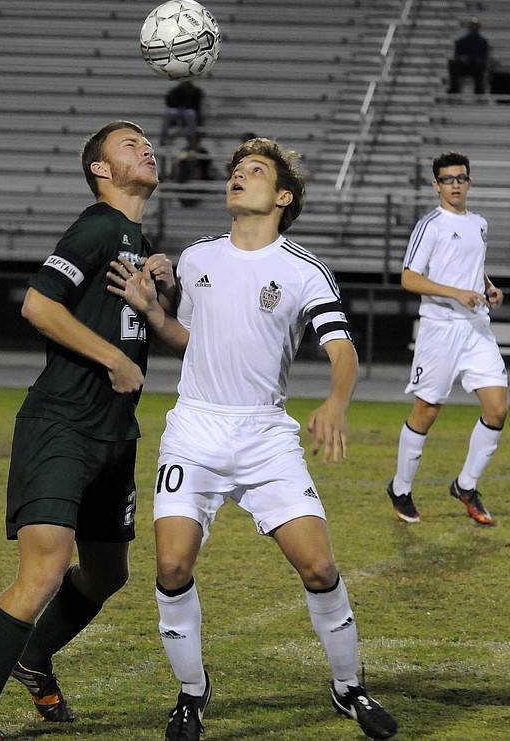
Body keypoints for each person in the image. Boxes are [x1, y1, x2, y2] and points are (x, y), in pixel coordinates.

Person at [107, 138, 398, 741]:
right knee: (170, 565)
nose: (238, 177)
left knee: (319, 568)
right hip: (195, 431)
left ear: (283, 197)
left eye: (255, 172)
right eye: (236, 171)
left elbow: (342, 349)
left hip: (266, 436)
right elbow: (190, 339)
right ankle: (192, 695)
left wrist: (335, 403)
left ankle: (349, 688)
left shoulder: (304, 270)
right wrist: (154, 312)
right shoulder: (195, 259)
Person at [0, 120, 176, 741]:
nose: (146, 148)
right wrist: (113, 359)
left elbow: (144, 322)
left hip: (113, 433)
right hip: (61, 425)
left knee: (107, 574)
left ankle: (33, 658)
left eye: (146, 142)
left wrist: (163, 291)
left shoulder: (134, 236)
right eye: (129, 145)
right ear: (101, 170)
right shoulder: (99, 225)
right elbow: (38, 304)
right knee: (45, 571)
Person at [387, 151, 507, 527]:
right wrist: (455, 292)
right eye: (447, 179)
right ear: (436, 185)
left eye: (461, 178)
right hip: (440, 331)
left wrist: (488, 287)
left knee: (497, 409)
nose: (455, 184)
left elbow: (472, 266)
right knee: (428, 412)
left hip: (476, 328)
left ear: (469, 182)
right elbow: (409, 277)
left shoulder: (479, 223)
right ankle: (401, 488)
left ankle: (466, 485)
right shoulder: (431, 225)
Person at [171, 133, 216, 207]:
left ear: (198, 142)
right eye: (191, 141)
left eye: (195, 141)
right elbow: (177, 163)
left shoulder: (204, 153)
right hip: (185, 179)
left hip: (200, 180)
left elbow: (207, 168)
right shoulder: (183, 151)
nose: (193, 143)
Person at [447, 17, 488, 94]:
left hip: (475, 66)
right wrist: (461, 58)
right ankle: (454, 88)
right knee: (452, 63)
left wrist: (474, 59)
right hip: (463, 66)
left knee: (479, 66)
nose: (473, 28)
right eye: (471, 26)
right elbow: (457, 55)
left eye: (475, 26)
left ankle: (479, 90)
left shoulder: (482, 41)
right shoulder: (461, 41)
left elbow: (483, 56)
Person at [161, 79, 204, 145]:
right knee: (169, 112)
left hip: (188, 109)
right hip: (177, 109)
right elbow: (169, 100)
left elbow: (197, 103)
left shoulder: (195, 91)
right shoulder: (176, 90)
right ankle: (163, 135)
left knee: (191, 114)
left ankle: (191, 137)